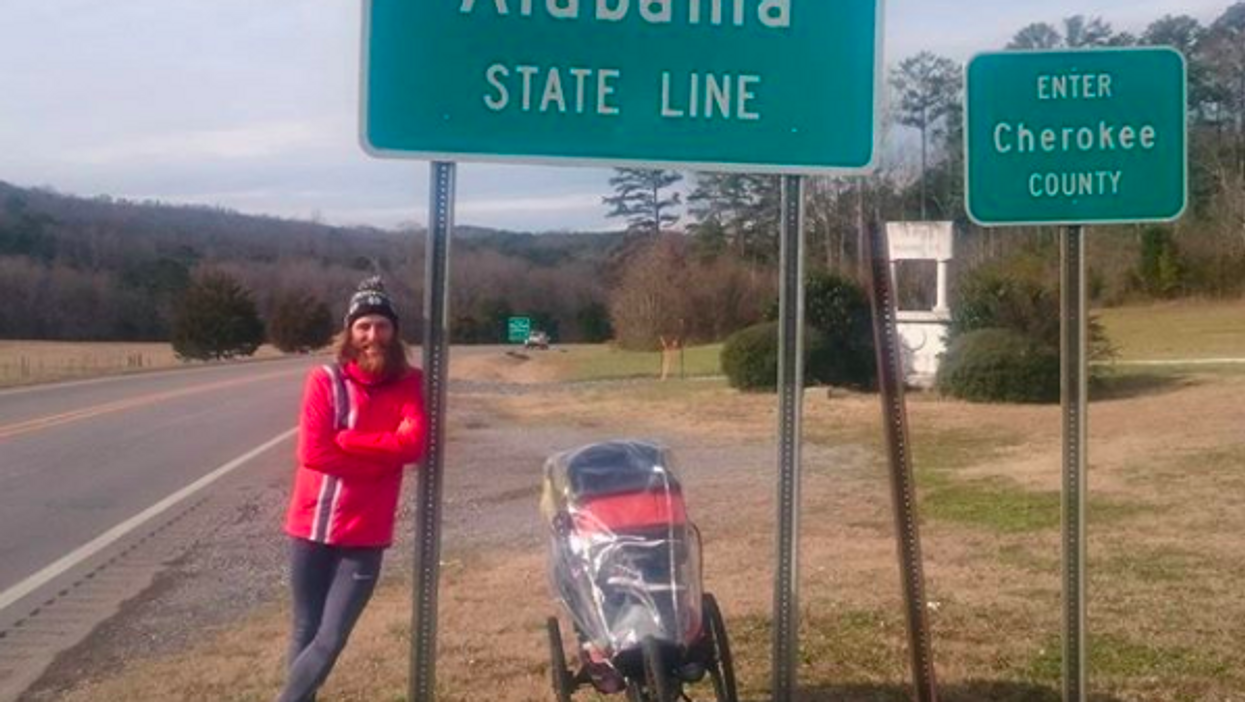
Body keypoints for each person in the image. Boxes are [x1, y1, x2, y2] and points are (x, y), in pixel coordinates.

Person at [276, 277, 425, 702]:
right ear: (349, 332)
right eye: (363, 327)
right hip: (311, 523)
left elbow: (411, 445)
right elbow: (314, 453)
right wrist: (380, 463)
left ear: (394, 331)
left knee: (332, 636)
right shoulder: (324, 379)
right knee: (304, 627)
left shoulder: (410, 383)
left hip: (365, 531)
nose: (372, 336)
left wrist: (348, 440)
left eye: (380, 325)